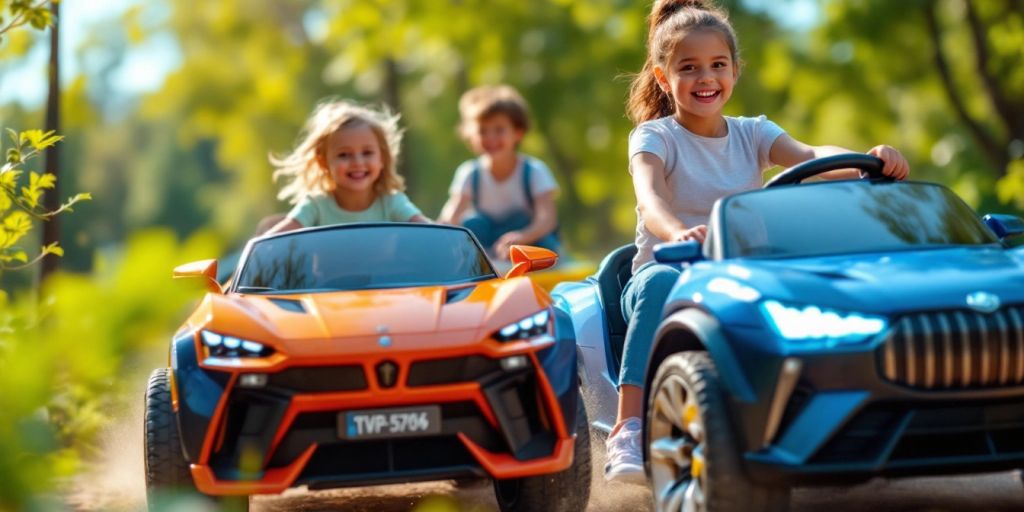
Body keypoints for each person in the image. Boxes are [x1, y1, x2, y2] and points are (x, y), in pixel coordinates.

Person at [603, 0, 910, 483]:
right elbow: (650, 200)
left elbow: (811, 154)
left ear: (735, 71)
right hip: (669, 271)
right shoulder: (655, 136)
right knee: (662, 278)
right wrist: (678, 233)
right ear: (664, 79)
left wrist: (866, 157)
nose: (706, 78)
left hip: (737, 277)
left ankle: (818, 413)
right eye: (689, 68)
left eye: (717, 65)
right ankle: (629, 424)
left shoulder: (752, 133)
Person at [264, 99, 430, 235]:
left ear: (383, 159)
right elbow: (273, 240)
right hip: (328, 277)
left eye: (367, 153)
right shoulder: (316, 205)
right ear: (324, 162)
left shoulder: (392, 203)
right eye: (344, 155)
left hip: (387, 277)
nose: (357, 162)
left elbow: (430, 232)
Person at [437, 85, 561, 260]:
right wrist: (436, 235)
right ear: (471, 136)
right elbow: (452, 214)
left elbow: (547, 218)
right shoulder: (470, 173)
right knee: (471, 224)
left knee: (539, 235)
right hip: (490, 242)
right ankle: (483, 264)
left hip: (527, 242)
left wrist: (523, 236)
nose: (490, 138)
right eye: (482, 131)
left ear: (517, 132)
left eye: (499, 130)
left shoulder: (534, 171)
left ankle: (544, 264)